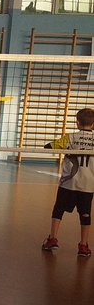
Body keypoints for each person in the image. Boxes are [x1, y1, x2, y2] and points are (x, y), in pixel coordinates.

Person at [41, 108, 94, 257]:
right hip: (88, 185)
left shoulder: (70, 137)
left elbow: (48, 147)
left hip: (68, 183)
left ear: (77, 123)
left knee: (58, 210)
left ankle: (53, 239)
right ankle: (83, 245)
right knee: (85, 214)